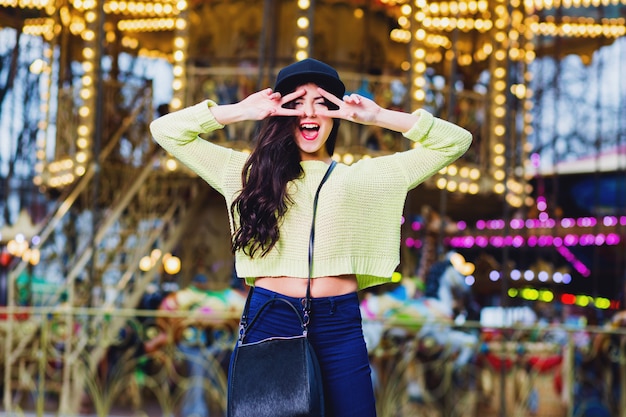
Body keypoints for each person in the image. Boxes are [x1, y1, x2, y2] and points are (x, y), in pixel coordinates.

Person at [150, 58, 472, 416]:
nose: (309, 111)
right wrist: (242, 110)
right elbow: (166, 131)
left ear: (336, 113)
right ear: (282, 112)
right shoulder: (249, 174)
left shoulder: (366, 177)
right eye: (297, 102)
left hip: (339, 326)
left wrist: (379, 116)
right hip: (270, 317)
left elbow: (455, 141)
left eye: (322, 102)